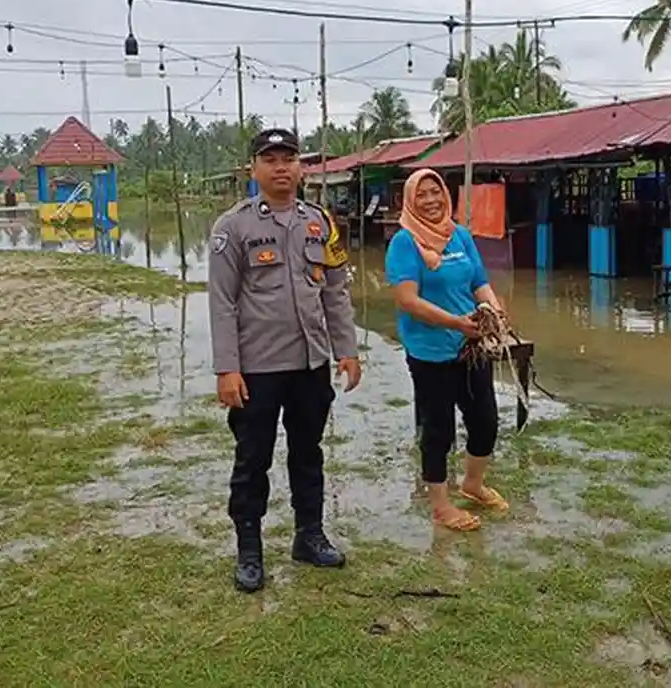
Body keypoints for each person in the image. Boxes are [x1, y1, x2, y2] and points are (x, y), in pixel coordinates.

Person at [207, 127, 363, 593]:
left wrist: (348, 350)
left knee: (308, 453)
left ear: (301, 167)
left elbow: (335, 291)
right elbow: (222, 302)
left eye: (288, 158)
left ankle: (309, 536)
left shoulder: (320, 222)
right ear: (253, 169)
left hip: (310, 366)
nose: (281, 167)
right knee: (252, 459)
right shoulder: (232, 227)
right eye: (270, 159)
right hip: (256, 368)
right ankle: (249, 551)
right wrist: (226, 368)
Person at [384, 168, 508, 532]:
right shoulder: (404, 243)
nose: (431, 200)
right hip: (430, 352)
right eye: (421, 194)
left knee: (485, 420)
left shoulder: (460, 236)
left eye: (435, 192)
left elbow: (479, 283)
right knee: (438, 430)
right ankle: (441, 506)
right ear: (408, 200)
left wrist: (495, 312)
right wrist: (455, 323)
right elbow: (408, 301)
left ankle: (472, 484)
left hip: (471, 347)